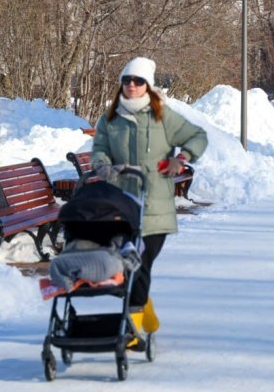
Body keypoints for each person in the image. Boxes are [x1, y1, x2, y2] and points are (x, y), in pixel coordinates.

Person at [91, 57, 208, 347]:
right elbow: (99, 151)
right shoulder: (109, 119)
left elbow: (197, 137)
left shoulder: (162, 116)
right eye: (127, 80)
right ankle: (139, 319)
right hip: (121, 203)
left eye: (138, 81)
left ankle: (133, 324)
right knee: (130, 264)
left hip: (155, 204)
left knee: (141, 263)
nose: (132, 85)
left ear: (148, 86)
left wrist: (180, 159)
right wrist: (103, 166)